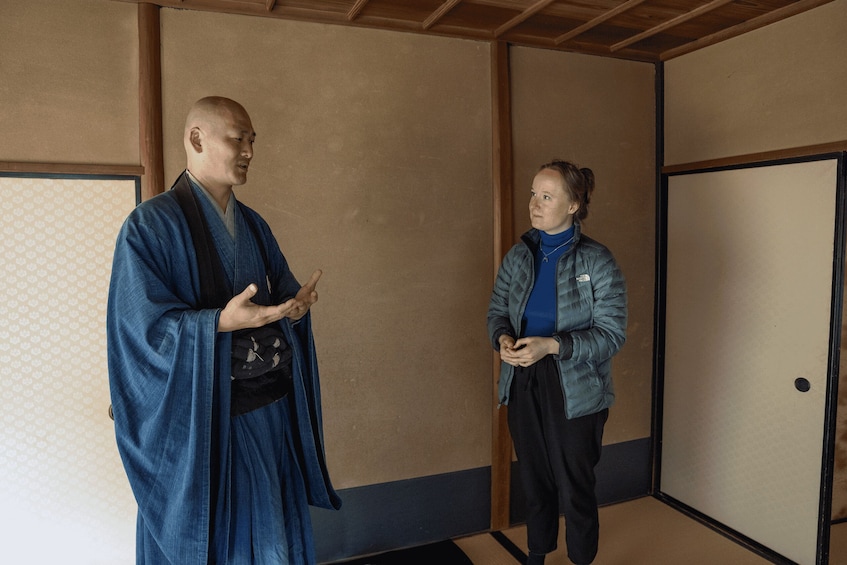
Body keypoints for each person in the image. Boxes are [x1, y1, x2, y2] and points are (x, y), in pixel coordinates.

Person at [107, 96, 341, 564]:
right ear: (196, 138)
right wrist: (216, 323)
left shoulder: (253, 224)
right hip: (205, 423)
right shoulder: (148, 226)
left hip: (269, 412)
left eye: (253, 140)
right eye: (239, 138)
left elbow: (284, 290)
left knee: (272, 526)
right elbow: (139, 331)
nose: (250, 150)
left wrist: (296, 308)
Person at [487, 160, 627, 565]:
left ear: (573, 205)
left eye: (546, 196)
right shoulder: (519, 255)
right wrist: (503, 339)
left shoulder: (597, 261)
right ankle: (537, 554)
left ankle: (581, 559)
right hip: (522, 377)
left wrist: (552, 346)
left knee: (575, 485)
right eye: (533, 193)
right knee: (534, 477)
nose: (534, 203)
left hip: (576, 389)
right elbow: (497, 310)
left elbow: (611, 335)